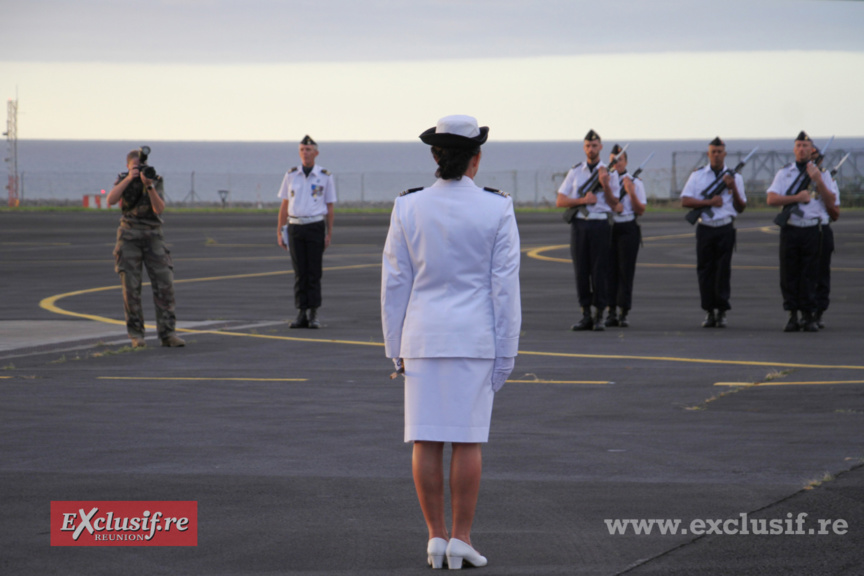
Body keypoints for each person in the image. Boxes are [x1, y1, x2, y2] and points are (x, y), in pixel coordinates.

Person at [381, 115, 521, 570]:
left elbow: (394, 284)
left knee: (425, 439)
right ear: (475, 159)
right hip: (474, 339)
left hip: (421, 337)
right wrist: (508, 350)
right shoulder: (497, 208)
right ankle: (461, 538)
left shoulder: (408, 207)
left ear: (434, 157)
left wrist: (393, 346)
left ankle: (435, 539)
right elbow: (505, 289)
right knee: (467, 441)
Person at [107, 147, 185, 348]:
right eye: (135, 167)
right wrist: (128, 180)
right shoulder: (123, 179)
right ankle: (136, 335)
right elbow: (111, 200)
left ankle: (168, 334)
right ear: (128, 166)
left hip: (153, 235)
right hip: (129, 236)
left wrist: (148, 186)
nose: (139, 170)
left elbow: (159, 209)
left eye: (141, 166)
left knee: (164, 284)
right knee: (131, 288)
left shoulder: (154, 179)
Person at [766, 131, 839, 332]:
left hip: (812, 230)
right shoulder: (784, 173)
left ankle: (809, 315)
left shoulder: (822, 173)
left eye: (805, 146)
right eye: (798, 146)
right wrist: (796, 198)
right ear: (794, 149)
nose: (801, 149)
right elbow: (772, 199)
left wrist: (818, 181)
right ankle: (792, 314)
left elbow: (832, 203)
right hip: (791, 227)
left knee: (810, 273)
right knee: (789, 273)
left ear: (811, 150)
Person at [556, 129, 620, 331]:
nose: (591, 149)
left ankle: (600, 314)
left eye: (594, 145)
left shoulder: (610, 173)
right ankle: (585, 314)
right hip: (580, 225)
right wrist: (583, 200)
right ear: (584, 148)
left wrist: (605, 185)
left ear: (600, 147)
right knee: (581, 271)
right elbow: (561, 200)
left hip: (600, 224)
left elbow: (615, 204)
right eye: (587, 146)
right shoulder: (575, 171)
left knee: (600, 270)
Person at [679, 137, 746, 328]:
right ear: (708, 154)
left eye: (720, 152)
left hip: (725, 227)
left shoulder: (736, 178)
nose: (716, 155)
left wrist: (732, 188)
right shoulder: (698, 175)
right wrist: (708, 203)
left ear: (725, 154)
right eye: (713, 152)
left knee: (723, 270)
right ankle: (709, 311)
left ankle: (722, 310)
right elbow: (685, 201)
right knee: (705, 270)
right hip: (705, 227)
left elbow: (741, 207)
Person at [277, 135, 337, 329]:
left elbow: (329, 206)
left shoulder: (325, 176)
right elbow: (285, 205)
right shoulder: (291, 175)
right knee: (299, 272)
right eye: (302, 150)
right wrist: (280, 231)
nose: (305, 153)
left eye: (309, 150)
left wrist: (328, 233)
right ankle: (301, 312)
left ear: (316, 153)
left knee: (313, 272)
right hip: (295, 227)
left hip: (315, 226)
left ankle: (313, 313)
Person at [605, 145, 646, 327]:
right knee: (608, 271)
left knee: (625, 271)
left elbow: (640, 210)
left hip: (628, 227)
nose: (616, 163)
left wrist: (631, 192)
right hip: (609, 227)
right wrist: (613, 206)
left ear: (626, 162)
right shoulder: (604, 180)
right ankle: (610, 311)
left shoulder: (636, 182)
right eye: (613, 160)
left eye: (620, 160)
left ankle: (624, 311)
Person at [813, 147, 841, 329]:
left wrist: (820, 184)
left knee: (821, 273)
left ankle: (818, 311)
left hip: (821, 229)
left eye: (816, 158)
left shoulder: (827, 180)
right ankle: (801, 311)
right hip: (799, 231)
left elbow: (835, 211)